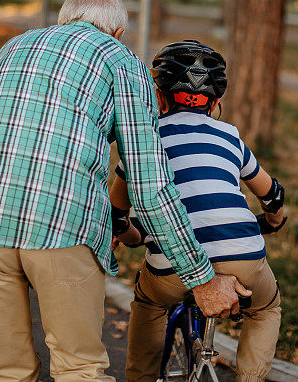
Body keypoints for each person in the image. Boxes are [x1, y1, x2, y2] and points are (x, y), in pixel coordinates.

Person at [0, 0, 248, 382]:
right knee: (79, 369)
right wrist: (201, 278)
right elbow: (149, 183)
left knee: (7, 369)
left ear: (64, 20)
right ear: (119, 31)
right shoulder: (121, 61)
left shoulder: (14, 47)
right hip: (59, 224)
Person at [110, 40, 288, 382]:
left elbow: (118, 215)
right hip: (242, 253)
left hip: (171, 267)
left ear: (159, 97)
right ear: (217, 102)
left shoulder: (144, 141)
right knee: (266, 310)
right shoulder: (230, 137)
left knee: (149, 304)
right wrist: (273, 219)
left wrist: (130, 234)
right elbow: (271, 193)